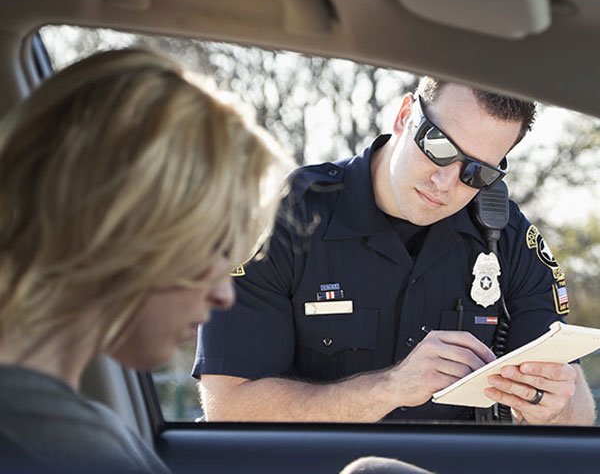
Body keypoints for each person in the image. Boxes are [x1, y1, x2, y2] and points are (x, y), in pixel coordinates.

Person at [196, 77, 597, 425]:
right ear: (405, 115)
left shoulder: (507, 237)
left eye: (477, 172)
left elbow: (576, 410)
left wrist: (556, 405)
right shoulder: (278, 220)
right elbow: (229, 406)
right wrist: (389, 388)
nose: (445, 181)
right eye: (439, 146)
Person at [0, 48, 288, 472]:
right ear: (131, 227)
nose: (225, 294)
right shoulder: (64, 450)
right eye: (215, 247)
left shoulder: (61, 429)